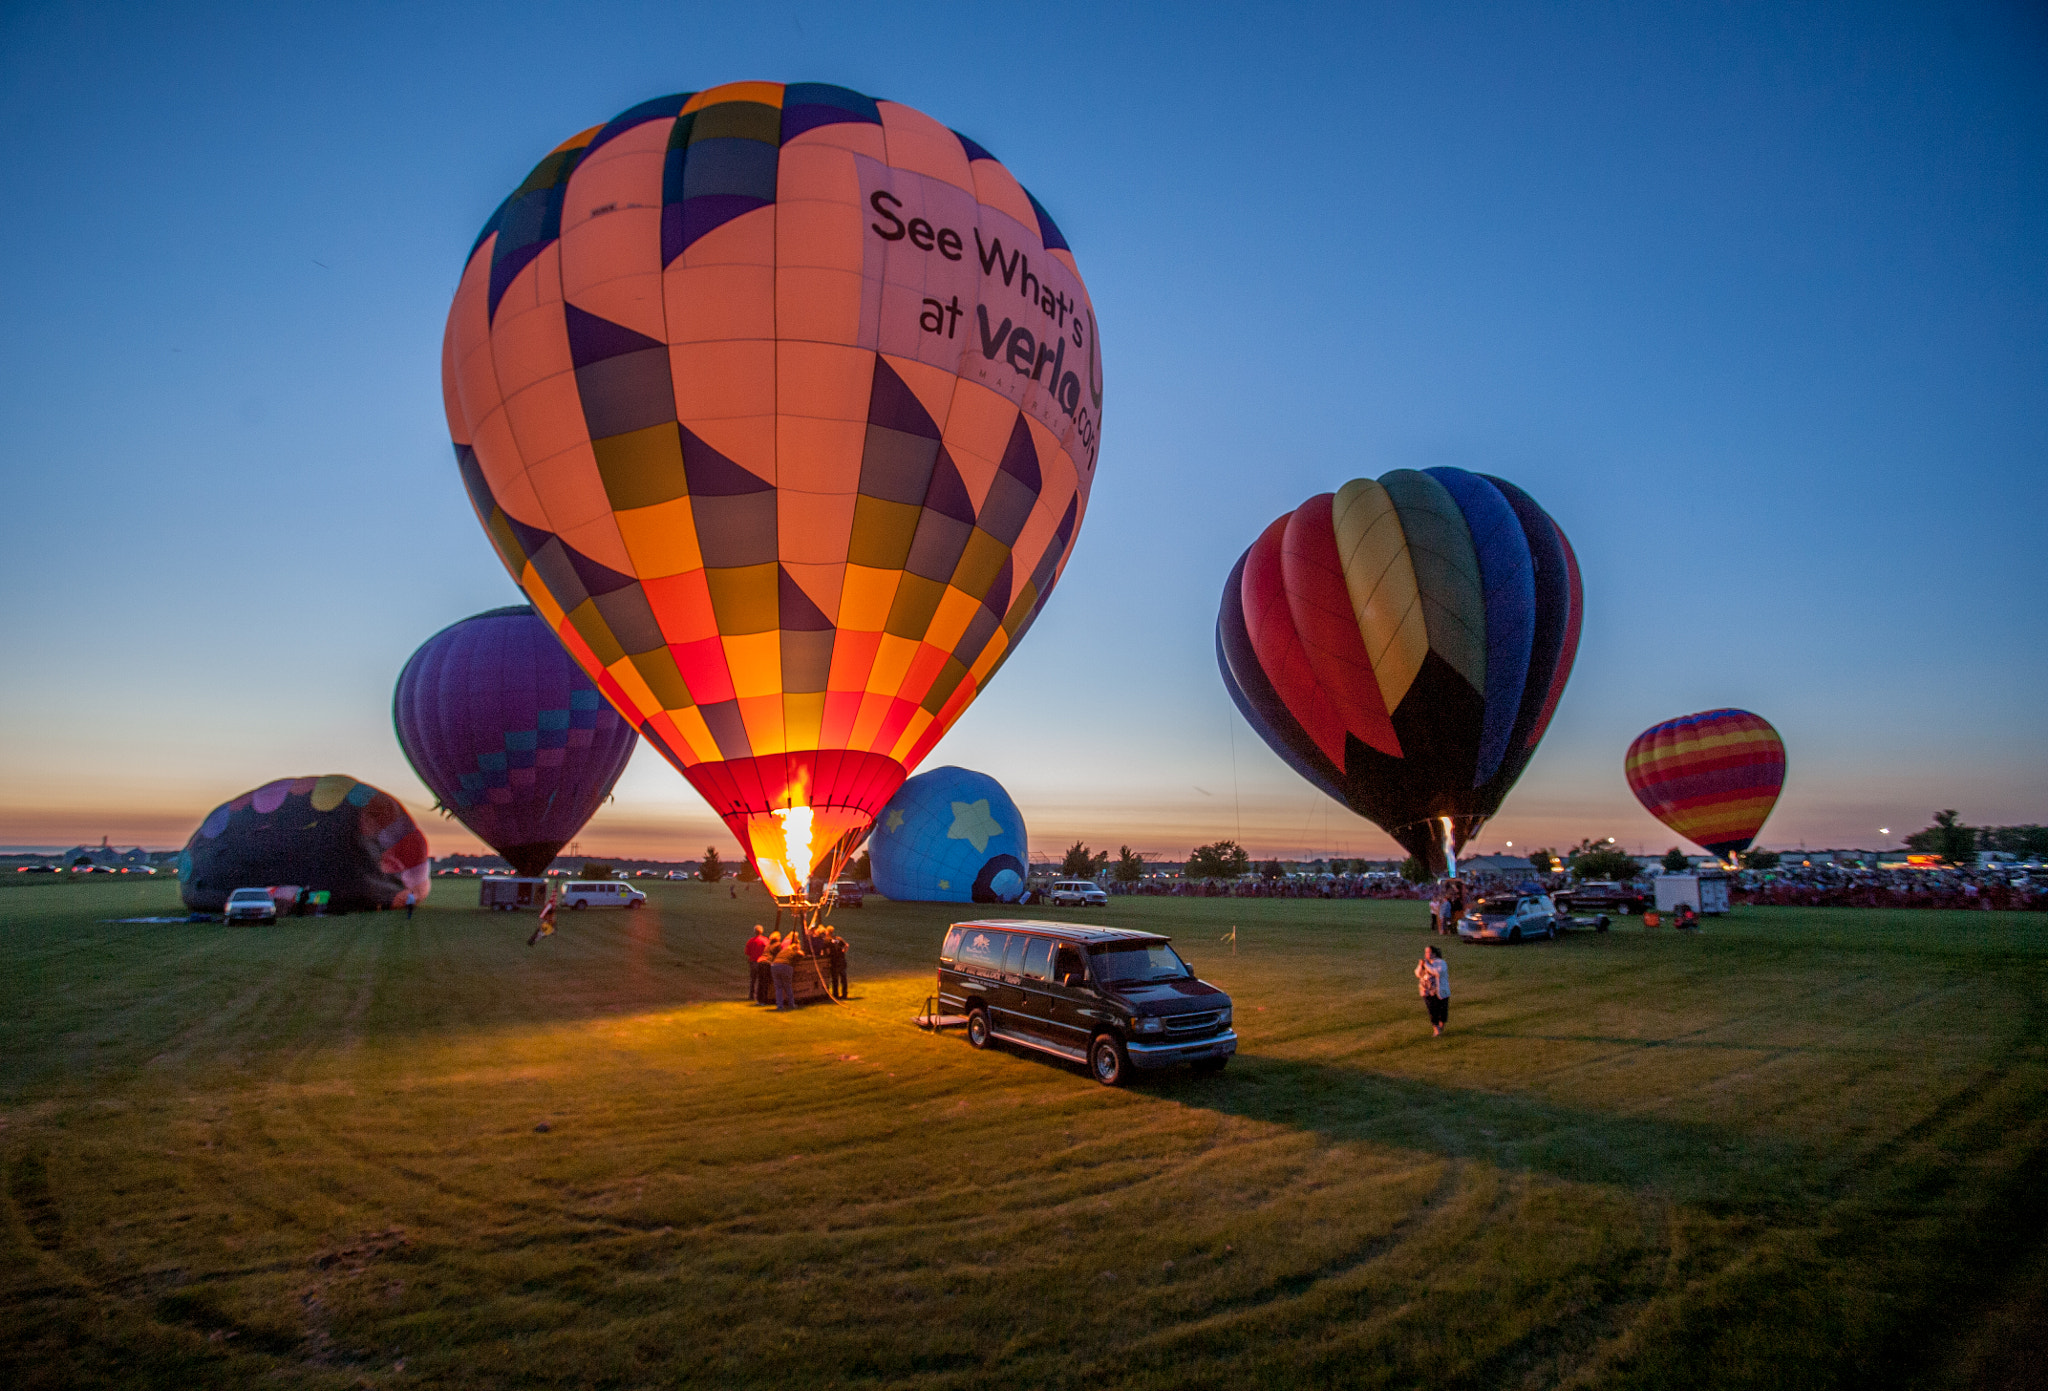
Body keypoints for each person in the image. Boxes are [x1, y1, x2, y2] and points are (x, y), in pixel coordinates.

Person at [1415, 944, 1450, 1037]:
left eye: (1429, 952)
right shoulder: (1424, 963)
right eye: (1426, 952)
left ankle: (1441, 1025)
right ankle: (1436, 1029)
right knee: (1432, 1010)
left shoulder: (1441, 963)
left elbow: (1437, 972)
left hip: (1440, 992)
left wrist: (1426, 965)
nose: (1427, 954)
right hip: (1427, 991)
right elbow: (1418, 974)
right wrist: (1420, 965)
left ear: (1434, 953)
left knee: (1442, 1012)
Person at [770, 930, 802, 1011]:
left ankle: (779, 1006)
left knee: (778, 987)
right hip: (785, 966)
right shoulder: (793, 952)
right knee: (788, 986)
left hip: (774, 966)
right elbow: (801, 955)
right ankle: (791, 1004)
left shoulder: (783, 950)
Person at [744, 925, 769, 1003]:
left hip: (753, 961)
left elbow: (747, 952)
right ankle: (761, 995)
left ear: (755, 932)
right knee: (761, 979)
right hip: (762, 962)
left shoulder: (751, 941)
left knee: (753, 979)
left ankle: (751, 995)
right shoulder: (765, 940)